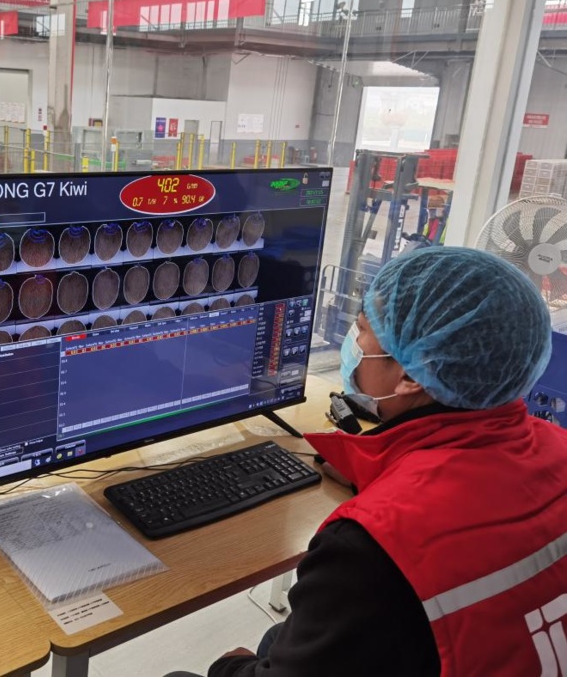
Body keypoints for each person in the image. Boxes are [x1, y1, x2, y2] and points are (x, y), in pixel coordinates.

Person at [169, 246, 567, 677]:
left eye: (361, 330)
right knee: (277, 637)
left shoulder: (366, 550)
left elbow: (411, 542)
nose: (352, 344)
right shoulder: (555, 445)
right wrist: (384, 473)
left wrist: (231, 668)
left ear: (412, 376)